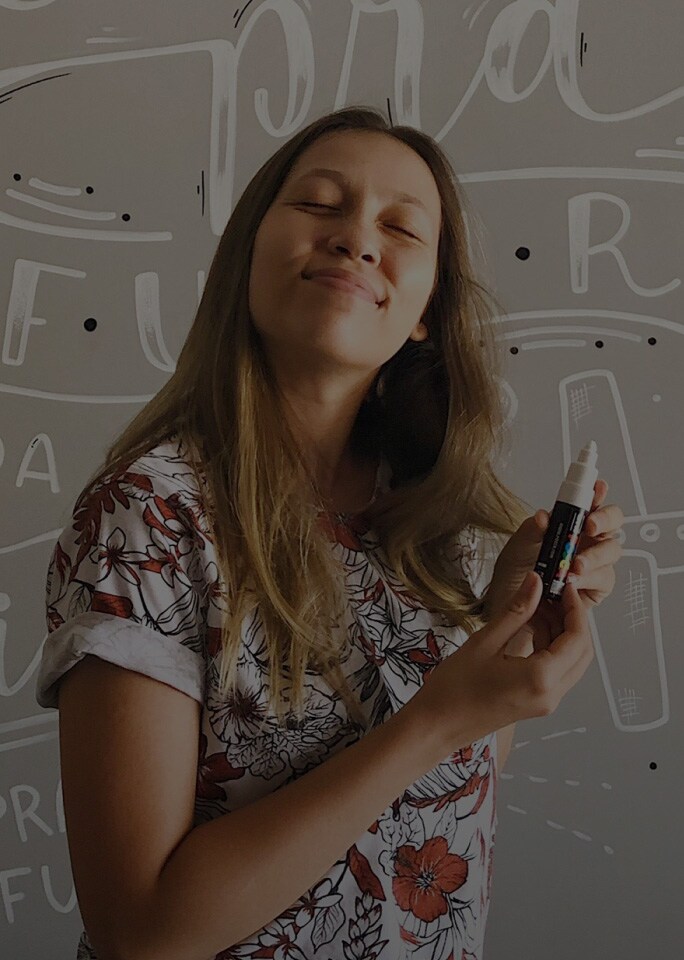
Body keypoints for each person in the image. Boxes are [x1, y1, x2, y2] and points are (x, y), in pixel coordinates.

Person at [35, 106, 623, 960]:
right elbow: (141, 932)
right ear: (247, 254)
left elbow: (439, 806)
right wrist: (432, 721)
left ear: (425, 311)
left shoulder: (437, 529)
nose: (356, 239)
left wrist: (508, 626)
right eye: (318, 204)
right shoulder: (148, 516)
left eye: (401, 228)